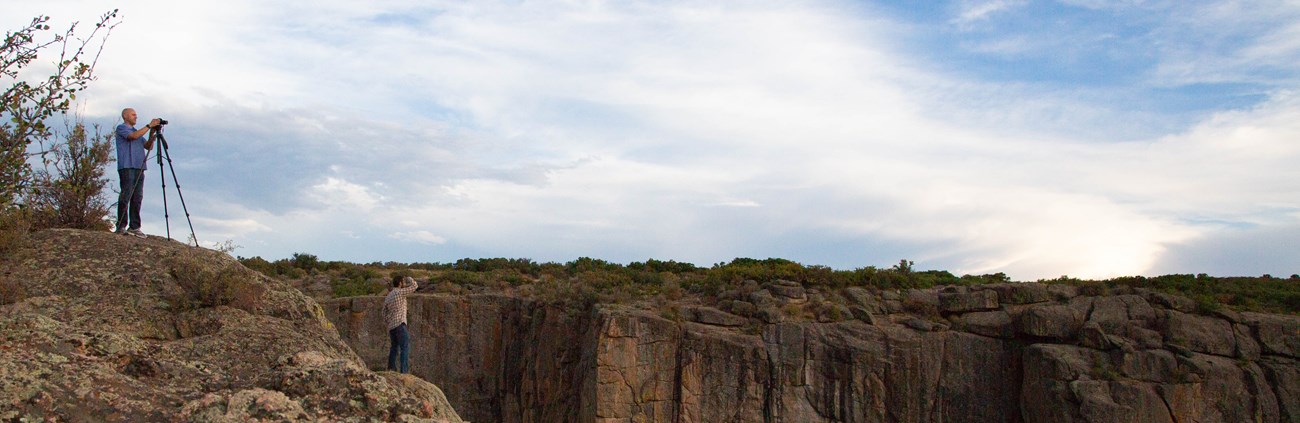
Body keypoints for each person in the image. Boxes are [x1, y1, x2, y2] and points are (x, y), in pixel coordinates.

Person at [114, 108, 160, 238]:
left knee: (137, 197)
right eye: (133, 115)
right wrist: (149, 125)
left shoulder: (137, 132)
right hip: (127, 165)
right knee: (126, 195)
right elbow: (133, 137)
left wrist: (151, 133)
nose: (136, 117)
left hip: (139, 167)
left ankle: (134, 226)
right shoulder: (122, 128)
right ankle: (121, 225)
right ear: (125, 116)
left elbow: (148, 146)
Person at [383, 276, 419, 373]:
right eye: (402, 282)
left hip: (392, 326)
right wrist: (410, 278)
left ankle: (391, 368)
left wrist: (389, 321)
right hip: (400, 323)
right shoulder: (400, 292)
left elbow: (384, 312)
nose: (403, 283)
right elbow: (415, 286)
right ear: (399, 283)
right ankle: (404, 371)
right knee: (405, 347)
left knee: (394, 347)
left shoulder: (388, 296)